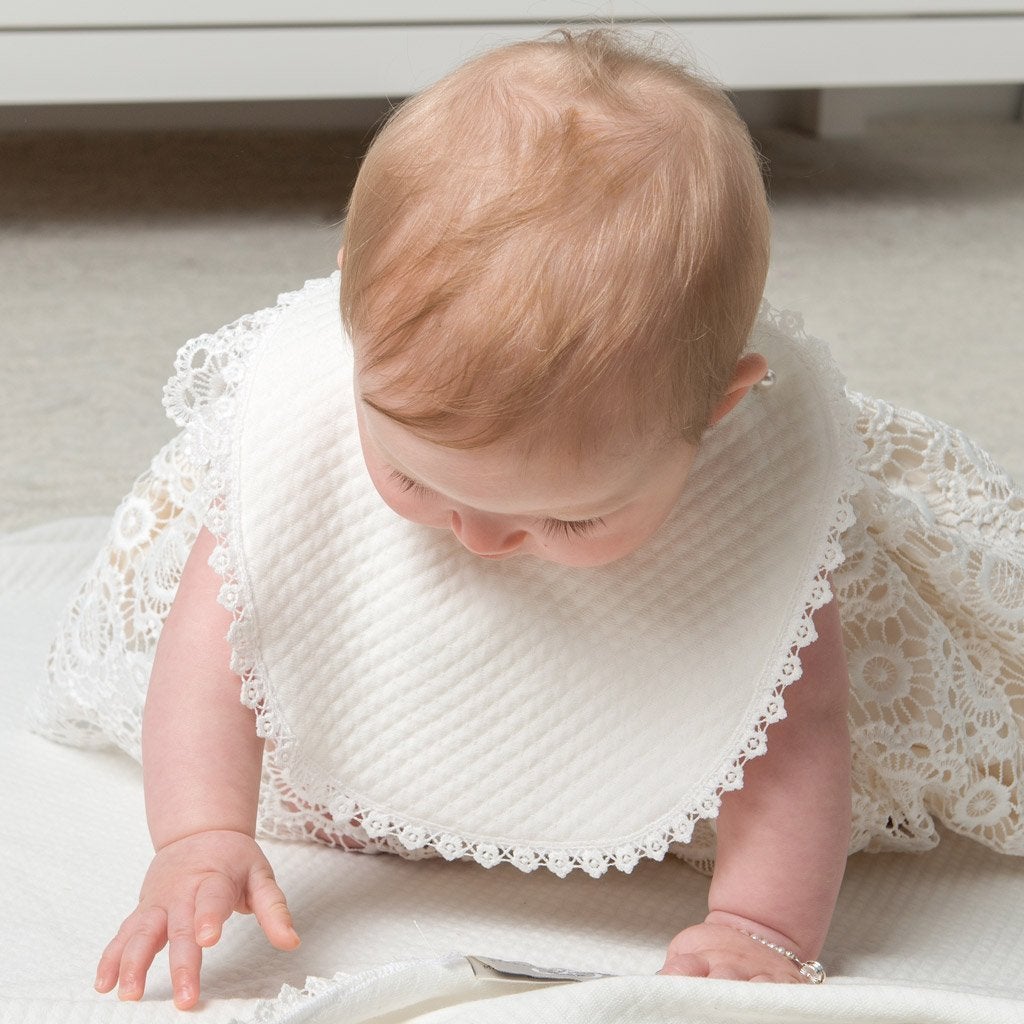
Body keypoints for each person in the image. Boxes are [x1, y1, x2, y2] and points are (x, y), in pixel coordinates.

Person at [33, 29, 1023, 1012]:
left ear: (715, 411)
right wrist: (202, 833)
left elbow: (796, 735)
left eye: (571, 515)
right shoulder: (311, 423)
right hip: (325, 710)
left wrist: (761, 922)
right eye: (414, 480)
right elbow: (211, 650)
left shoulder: (749, 486)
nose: (483, 538)